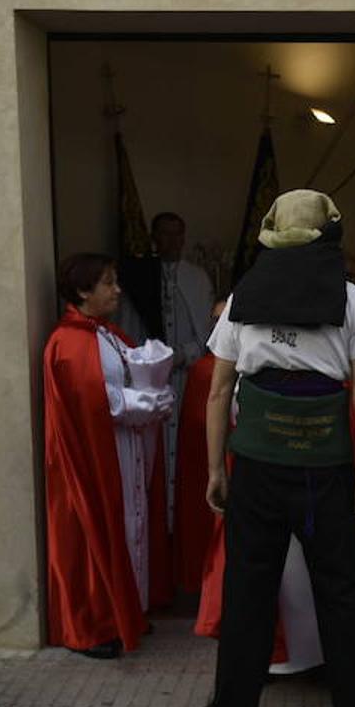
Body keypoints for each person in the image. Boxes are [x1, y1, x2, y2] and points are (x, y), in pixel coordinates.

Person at [194, 189, 355, 707]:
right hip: (324, 467)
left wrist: (215, 467)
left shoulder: (241, 297)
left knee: (248, 587)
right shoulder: (353, 300)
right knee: (342, 587)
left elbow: (218, 391)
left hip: (256, 463)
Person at [43, 253, 176, 660]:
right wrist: (147, 402)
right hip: (98, 456)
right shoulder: (69, 341)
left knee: (131, 524)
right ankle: (94, 623)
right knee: (101, 528)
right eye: (107, 283)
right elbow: (93, 400)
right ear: (83, 291)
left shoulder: (108, 333)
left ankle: (126, 610)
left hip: (124, 449)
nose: (117, 290)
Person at [117, 212, 216, 533]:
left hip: (187, 379)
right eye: (165, 234)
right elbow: (129, 328)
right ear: (154, 238)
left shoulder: (197, 278)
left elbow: (207, 333)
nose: (172, 241)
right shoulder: (138, 276)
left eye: (177, 234)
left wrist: (182, 356)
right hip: (150, 383)